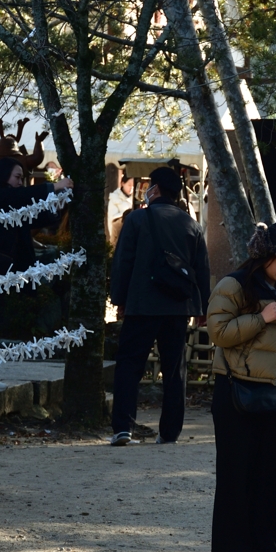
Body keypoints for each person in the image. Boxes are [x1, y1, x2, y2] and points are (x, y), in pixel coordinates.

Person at [207, 221, 276, 552]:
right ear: (264, 257)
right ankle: (235, 550)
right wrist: (262, 317)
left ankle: (268, 549)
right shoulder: (234, 284)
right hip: (235, 390)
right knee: (236, 471)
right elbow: (219, 332)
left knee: (270, 473)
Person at [0, 157, 73, 394]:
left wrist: (59, 203)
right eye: (17, 177)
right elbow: (17, 198)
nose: (20, 183)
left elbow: (36, 216)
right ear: (2, 175)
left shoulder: (11, 202)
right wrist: (53, 187)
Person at [109, 166, 210, 446]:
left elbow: (123, 262)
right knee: (174, 369)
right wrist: (202, 307)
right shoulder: (191, 224)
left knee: (130, 365)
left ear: (155, 188)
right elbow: (202, 267)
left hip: (141, 305)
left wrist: (119, 299)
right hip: (178, 306)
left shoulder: (138, 219)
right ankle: (170, 431)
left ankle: (123, 427)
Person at [107, 172, 134, 244]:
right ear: (122, 183)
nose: (131, 188)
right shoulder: (114, 198)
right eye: (129, 185)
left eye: (133, 186)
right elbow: (112, 218)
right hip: (119, 232)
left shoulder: (135, 198)